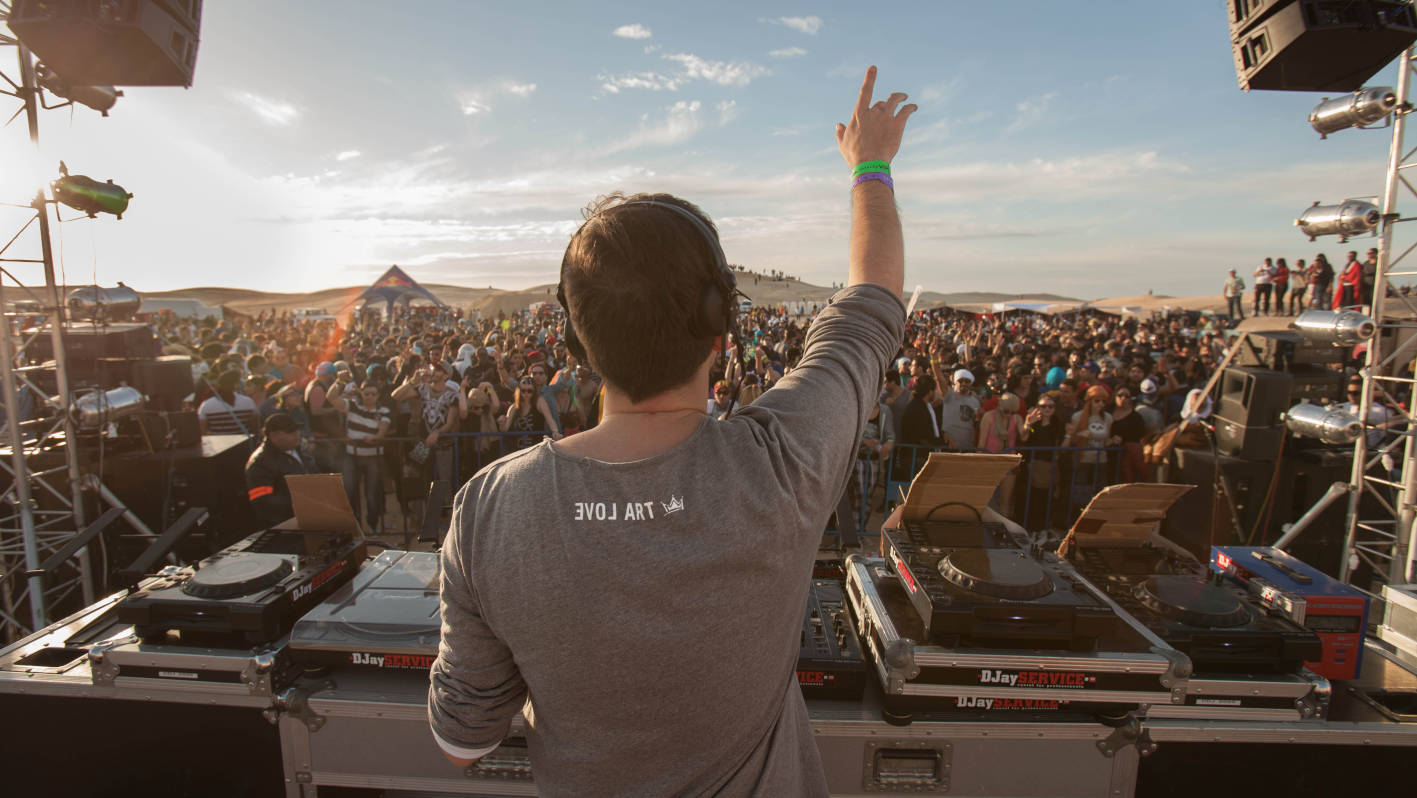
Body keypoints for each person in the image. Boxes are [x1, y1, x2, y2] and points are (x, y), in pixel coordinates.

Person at [428, 65, 913, 795]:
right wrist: (869, 165)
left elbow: (463, 743)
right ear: (722, 327)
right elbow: (872, 302)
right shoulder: (781, 462)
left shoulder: (490, 509)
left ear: (576, 340)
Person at [329, 380, 391, 534]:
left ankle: (373, 525)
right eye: (366, 393)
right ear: (361, 393)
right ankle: (353, 526)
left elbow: (382, 431)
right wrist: (339, 382)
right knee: (349, 491)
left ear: (378, 395)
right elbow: (331, 398)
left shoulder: (383, 411)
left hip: (372, 456)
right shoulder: (352, 406)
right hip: (352, 455)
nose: (369, 396)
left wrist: (376, 438)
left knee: (372, 493)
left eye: (373, 394)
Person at [244, 412, 315, 528]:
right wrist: (301, 503)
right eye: (290, 432)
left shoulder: (298, 450)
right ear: (273, 435)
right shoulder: (260, 463)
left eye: (297, 430)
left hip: (309, 515)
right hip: (285, 525)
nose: (297, 434)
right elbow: (262, 501)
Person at [198, 369, 260, 438]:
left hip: (219, 444)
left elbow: (202, 432)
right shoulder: (248, 402)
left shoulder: (206, 405)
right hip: (245, 443)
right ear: (236, 384)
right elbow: (255, 428)